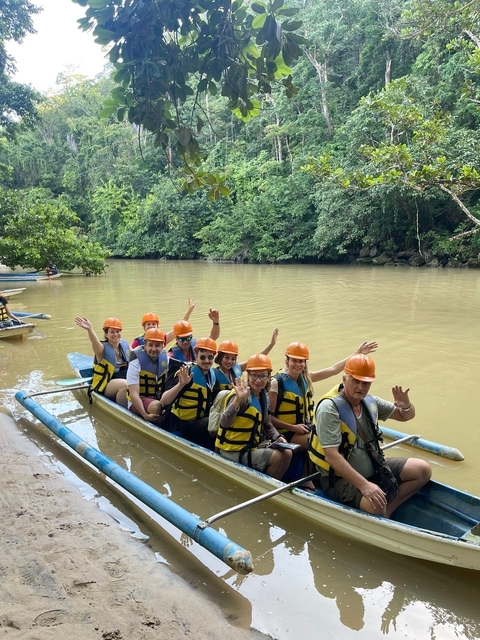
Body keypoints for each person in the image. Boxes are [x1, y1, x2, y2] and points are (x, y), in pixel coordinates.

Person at [308, 354, 432, 518]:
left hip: (374, 466)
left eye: (365, 383)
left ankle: (387, 512)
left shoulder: (369, 401)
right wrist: (365, 485)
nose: (361, 387)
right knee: (375, 507)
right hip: (338, 479)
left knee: (422, 470)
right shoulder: (330, 409)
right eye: (355, 381)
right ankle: (380, 511)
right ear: (345, 380)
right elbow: (331, 456)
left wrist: (406, 405)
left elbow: (405, 416)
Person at [269, 340, 378, 452]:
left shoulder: (306, 378)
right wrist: (293, 427)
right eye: (294, 361)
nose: (298, 365)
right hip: (285, 433)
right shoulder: (276, 384)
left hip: (306, 427)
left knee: (338, 435)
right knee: (321, 441)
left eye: (301, 361)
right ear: (287, 361)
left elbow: (333, 370)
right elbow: (269, 418)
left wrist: (359, 352)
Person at [215, 353, 292, 480]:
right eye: (254, 375)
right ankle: (265, 486)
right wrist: (237, 400)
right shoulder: (241, 396)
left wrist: (278, 437)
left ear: (268, 377)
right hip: (232, 451)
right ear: (248, 375)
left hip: (250, 447)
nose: (258, 380)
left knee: (288, 452)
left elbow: (267, 423)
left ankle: (274, 483)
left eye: (263, 376)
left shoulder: (263, 396)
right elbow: (224, 422)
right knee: (277, 456)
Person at [126, 327, 192, 426]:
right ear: (145, 346)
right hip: (139, 401)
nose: (154, 349)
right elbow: (134, 394)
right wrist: (145, 415)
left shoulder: (165, 358)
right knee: (157, 406)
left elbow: (183, 364)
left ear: (162, 346)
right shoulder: (136, 364)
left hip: (157, 397)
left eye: (157, 345)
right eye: (150, 345)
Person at [169, 337, 219, 448]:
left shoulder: (213, 377)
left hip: (199, 422)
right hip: (182, 425)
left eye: (210, 357)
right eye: (202, 357)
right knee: (209, 423)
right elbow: (164, 400)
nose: (206, 361)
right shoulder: (186, 374)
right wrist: (180, 385)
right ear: (196, 356)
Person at [74, 316, 130, 407]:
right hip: (106, 384)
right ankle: (126, 411)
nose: (116, 334)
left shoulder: (124, 346)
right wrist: (89, 329)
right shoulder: (101, 349)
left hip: (125, 379)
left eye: (118, 331)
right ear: (106, 334)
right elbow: (94, 341)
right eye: (112, 332)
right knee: (125, 385)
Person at [214, 328, 279, 390]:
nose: (230, 361)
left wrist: (271, 345)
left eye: (233, 359)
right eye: (227, 357)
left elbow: (257, 359)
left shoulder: (237, 368)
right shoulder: (213, 374)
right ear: (220, 357)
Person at [131, 298, 196, 349]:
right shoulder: (137, 342)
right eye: (148, 324)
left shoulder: (162, 338)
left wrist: (189, 311)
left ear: (158, 327)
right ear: (144, 327)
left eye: (154, 324)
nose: (151, 326)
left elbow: (180, 326)